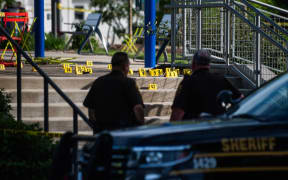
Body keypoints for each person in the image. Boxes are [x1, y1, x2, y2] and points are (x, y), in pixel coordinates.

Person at [170, 49, 243, 121]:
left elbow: (177, 113)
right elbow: (240, 98)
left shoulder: (188, 82)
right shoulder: (220, 80)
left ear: (193, 64)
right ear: (209, 64)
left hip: (193, 128)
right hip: (217, 127)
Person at [83, 52, 145, 133]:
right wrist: (142, 126)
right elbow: (138, 108)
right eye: (129, 66)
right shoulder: (128, 83)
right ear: (125, 66)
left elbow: (91, 110)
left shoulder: (99, 81)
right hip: (123, 132)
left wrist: (96, 126)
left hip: (103, 134)